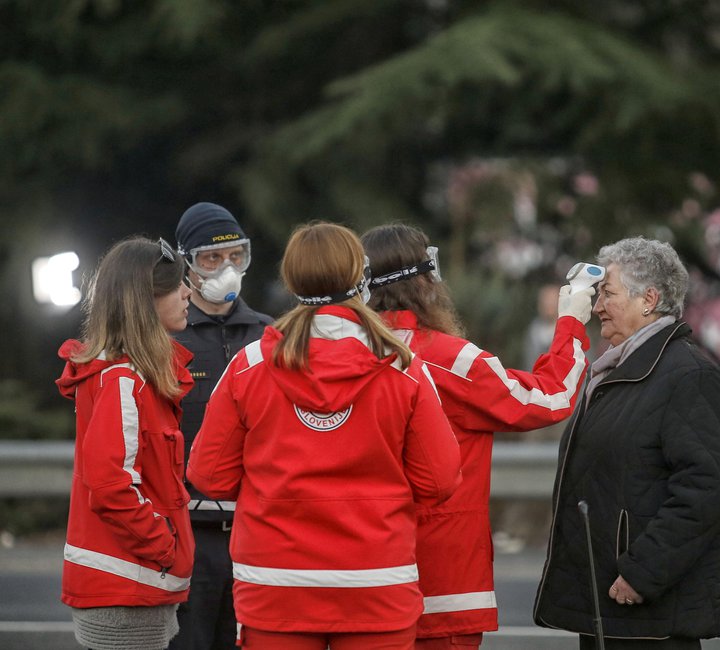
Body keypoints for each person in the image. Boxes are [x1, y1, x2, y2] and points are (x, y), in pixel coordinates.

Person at [186, 222, 463, 650]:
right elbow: (440, 480)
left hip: (274, 586)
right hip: (377, 584)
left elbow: (208, 476)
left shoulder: (249, 365)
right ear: (361, 276)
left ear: (292, 280)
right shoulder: (402, 367)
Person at [360, 223, 593, 649]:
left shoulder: (340, 355)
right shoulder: (451, 361)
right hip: (443, 582)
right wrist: (572, 322)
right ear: (425, 282)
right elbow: (552, 396)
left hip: (359, 577)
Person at [533, 237, 720, 649]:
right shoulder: (616, 372)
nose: (596, 306)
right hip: (610, 605)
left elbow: (705, 489)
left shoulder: (687, 375)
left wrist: (643, 572)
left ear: (649, 299)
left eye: (607, 293)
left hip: (646, 609)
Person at [55, 237, 195, 650]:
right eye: (177, 285)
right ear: (144, 300)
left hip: (136, 583)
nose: (189, 292)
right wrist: (164, 546)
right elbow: (110, 482)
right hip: (126, 585)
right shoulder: (123, 380)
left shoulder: (130, 376)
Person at [168, 202, 273, 650]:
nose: (225, 269)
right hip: (187, 535)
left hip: (257, 535)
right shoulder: (165, 336)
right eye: (211, 259)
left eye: (236, 256)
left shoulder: (270, 335)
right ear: (186, 265)